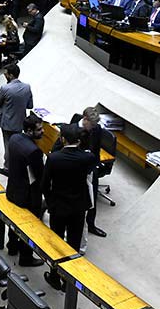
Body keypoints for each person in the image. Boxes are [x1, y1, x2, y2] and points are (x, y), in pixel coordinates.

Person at [41, 126, 99, 291]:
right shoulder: (88, 158)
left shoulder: (54, 159)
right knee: (73, 244)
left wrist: (51, 203)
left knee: (57, 244)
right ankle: (69, 282)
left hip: (58, 207)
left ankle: (54, 275)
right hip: (78, 208)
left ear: (62, 139)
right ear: (79, 141)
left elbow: (45, 185)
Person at [59, 107, 108, 238]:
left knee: (91, 200)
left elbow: (96, 149)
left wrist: (94, 166)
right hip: (73, 169)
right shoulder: (72, 127)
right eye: (92, 124)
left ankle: (91, 224)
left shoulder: (96, 129)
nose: (93, 127)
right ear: (84, 119)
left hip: (90, 168)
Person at [6, 113, 45, 266]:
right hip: (28, 196)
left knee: (14, 220)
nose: (43, 132)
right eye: (39, 129)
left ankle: (12, 246)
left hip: (13, 189)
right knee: (30, 227)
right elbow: (40, 175)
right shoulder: (34, 151)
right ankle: (26, 257)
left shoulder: (15, 138)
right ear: (29, 131)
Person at [0, 64, 34, 175]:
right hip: (20, 121)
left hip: (7, 122)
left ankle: (8, 168)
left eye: (6, 73)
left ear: (11, 75)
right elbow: (30, 105)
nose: (5, 75)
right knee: (17, 144)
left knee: (8, 145)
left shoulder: (5, 88)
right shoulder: (27, 87)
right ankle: (18, 165)